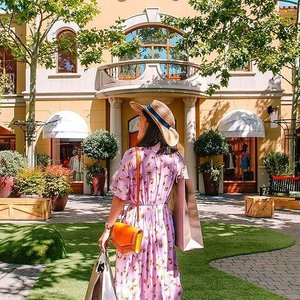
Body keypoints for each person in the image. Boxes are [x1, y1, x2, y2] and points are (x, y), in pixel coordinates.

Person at [98, 99, 188, 299]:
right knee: (161, 272)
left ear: (150, 127)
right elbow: (181, 195)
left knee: (132, 274)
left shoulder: (133, 156)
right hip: (163, 225)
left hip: (136, 221)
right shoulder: (176, 159)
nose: (138, 124)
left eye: (140, 119)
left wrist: (107, 229)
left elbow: (120, 198)